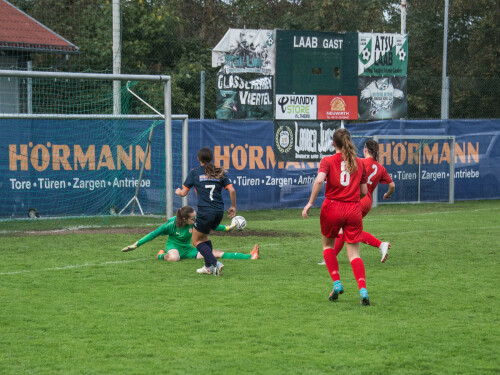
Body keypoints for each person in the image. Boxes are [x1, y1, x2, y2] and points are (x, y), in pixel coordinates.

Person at [302, 128, 371, 306]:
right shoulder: (360, 163)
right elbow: (364, 192)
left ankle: (337, 282)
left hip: (332, 207)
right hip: (353, 209)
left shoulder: (327, 160)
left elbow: (319, 180)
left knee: (327, 246)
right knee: (354, 254)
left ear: (333, 143)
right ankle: (363, 290)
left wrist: (310, 203)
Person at [318, 139, 396, 265]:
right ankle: (329, 259)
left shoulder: (360, 162)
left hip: (357, 198)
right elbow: (392, 185)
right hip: (368, 201)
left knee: (347, 231)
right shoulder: (381, 168)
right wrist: (387, 194)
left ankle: (380, 244)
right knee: (346, 230)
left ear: (365, 150)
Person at [121, 206, 259, 270]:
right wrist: (136, 244)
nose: (196, 219)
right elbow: (153, 234)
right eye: (193, 218)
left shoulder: (195, 221)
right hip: (173, 248)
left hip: (188, 250)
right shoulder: (170, 225)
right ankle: (161, 255)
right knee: (174, 257)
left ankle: (249, 256)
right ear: (185, 219)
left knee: (215, 254)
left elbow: (212, 226)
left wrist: (228, 227)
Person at [174, 147, 236, 276]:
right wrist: (233, 207)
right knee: (205, 237)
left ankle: (215, 263)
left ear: (198, 159)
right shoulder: (220, 171)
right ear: (212, 158)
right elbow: (232, 190)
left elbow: (183, 193)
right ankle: (208, 267)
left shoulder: (195, 172)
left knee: (196, 241)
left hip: (205, 212)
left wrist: (178, 191)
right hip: (219, 211)